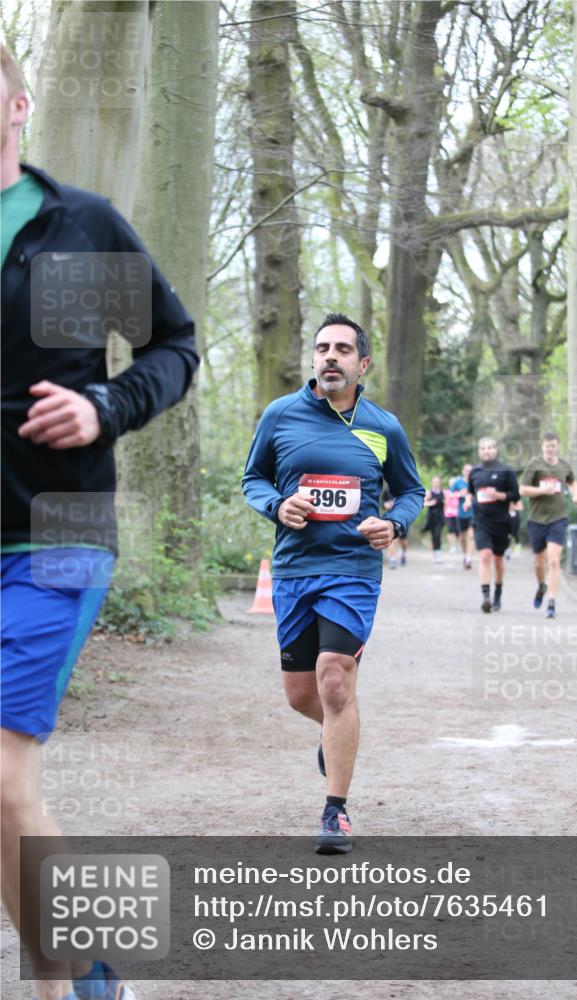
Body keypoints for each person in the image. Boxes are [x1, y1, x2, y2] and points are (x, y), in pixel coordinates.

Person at [1, 46, 199, 1000]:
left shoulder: (78, 226)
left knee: (1, 777)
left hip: (60, 528)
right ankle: (83, 967)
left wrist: (104, 408)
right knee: (6, 795)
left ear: (18, 105)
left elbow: (173, 343)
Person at [242, 313, 424, 854]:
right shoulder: (281, 416)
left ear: (362, 364)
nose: (330, 356)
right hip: (295, 568)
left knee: (336, 681)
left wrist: (393, 523)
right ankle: (335, 735)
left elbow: (412, 492)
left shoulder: (383, 425)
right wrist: (278, 504)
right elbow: (252, 478)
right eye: (322, 347)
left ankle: (335, 812)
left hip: (352, 569)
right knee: (302, 695)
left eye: (343, 349)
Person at [519, 431, 577, 618]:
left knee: (554, 560)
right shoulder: (535, 465)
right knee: (539, 562)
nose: (550, 449)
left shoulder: (564, 465)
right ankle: (541, 586)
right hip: (537, 519)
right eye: (547, 446)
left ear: (558, 446)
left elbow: (572, 481)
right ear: (542, 446)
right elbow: (522, 490)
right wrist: (541, 490)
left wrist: (576, 495)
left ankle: (552, 603)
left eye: (553, 446)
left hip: (558, 518)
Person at [464, 438, 520, 613]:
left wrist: (499, 495)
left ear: (496, 450)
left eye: (489, 448)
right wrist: (467, 500)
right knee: (485, 556)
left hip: (501, 522)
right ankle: (486, 597)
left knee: (497, 560)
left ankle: (498, 593)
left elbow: (516, 495)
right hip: (481, 521)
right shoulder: (475, 471)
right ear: (479, 452)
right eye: (483, 448)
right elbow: (470, 492)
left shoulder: (506, 470)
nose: (486, 451)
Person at [452, 462, 473, 569]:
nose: (468, 472)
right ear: (463, 472)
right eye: (466, 470)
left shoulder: (475, 481)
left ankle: (469, 558)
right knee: (463, 538)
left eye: (470, 470)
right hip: (461, 514)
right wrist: (460, 494)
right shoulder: (458, 482)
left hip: (473, 513)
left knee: (471, 536)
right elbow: (450, 494)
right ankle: (465, 555)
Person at [382, 485, 409, 568]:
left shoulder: (405, 488)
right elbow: (382, 503)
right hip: (391, 517)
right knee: (392, 538)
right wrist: (385, 505)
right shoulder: (386, 491)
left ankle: (403, 553)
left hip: (403, 518)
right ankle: (392, 559)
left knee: (403, 540)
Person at [422, 475, 445, 562]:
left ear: (440, 483)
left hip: (440, 518)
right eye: (435, 482)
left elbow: (446, 504)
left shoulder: (443, 493)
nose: (436, 484)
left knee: (437, 534)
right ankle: (435, 555)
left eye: (438, 482)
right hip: (431, 517)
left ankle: (438, 555)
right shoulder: (429, 493)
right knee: (433, 536)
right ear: (432, 483)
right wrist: (430, 502)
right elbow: (423, 504)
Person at [443, 479, 460, 553]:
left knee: (457, 531)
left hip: (458, 514)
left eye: (454, 483)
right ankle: (452, 546)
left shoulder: (458, 492)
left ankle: (457, 544)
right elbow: (444, 502)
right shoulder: (446, 492)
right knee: (450, 530)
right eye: (451, 483)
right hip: (448, 514)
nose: (452, 485)